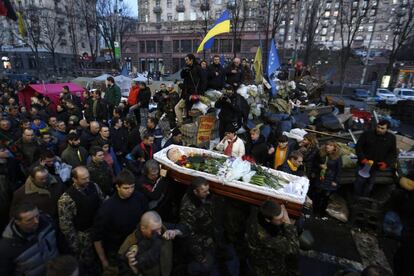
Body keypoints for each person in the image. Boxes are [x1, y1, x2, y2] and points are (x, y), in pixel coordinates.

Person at [92, 170, 148, 272]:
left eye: (132, 187)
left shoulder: (139, 198)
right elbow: (97, 237)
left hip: (139, 244)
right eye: (126, 188)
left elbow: (146, 217)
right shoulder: (107, 208)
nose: (130, 191)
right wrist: (103, 260)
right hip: (117, 250)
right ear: (117, 187)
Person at [58, 166, 105, 275]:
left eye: (88, 177)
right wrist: (75, 245)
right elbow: (66, 226)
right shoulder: (66, 199)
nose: (87, 180)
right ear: (74, 179)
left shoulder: (94, 186)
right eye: (84, 179)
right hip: (84, 236)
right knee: (88, 262)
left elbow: (102, 202)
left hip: (98, 229)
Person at [119, 211, 185, 276]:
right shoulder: (130, 243)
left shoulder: (162, 228)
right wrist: (133, 269)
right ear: (143, 228)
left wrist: (176, 232)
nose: (159, 233)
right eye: (154, 231)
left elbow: (185, 228)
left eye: (160, 228)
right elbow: (122, 270)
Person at [0, 202, 59, 276]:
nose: (36, 221)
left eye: (37, 216)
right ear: (18, 222)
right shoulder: (7, 246)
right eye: (29, 220)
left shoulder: (47, 222)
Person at [245, 200, 299, 276]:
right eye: (279, 219)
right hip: (268, 267)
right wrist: (288, 224)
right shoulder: (264, 236)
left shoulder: (260, 212)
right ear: (267, 220)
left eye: (282, 216)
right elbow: (293, 248)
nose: (283, 219)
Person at [180, 176, 217, 275]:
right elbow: (190, 234)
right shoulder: (188, 208)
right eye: (204, 192)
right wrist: (200, 256)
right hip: (199, 242)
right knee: (206, 266)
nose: (208, 193)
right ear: (195, 192)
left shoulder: (205, 196)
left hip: (209, 234)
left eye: (208, 190)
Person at [354, 120, 397, 197]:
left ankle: (364, 197)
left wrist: (386, 163)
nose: (379, 129)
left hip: (375, 166)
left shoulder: (391, 138)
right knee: (359, 181)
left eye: (382, 128)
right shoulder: (367, 134)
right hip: (363, 164)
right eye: (378, 127)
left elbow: (393, 153)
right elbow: (358, 147)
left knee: (370, 184)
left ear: (387, 129)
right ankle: (356, 196)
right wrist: (362, 158)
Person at [314, 141, 342, 214]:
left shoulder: (337, 157)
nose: (328, 146)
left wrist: (335, 181)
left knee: (325, 197)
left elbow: (339, 170)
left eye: (330, 145)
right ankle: (314, 211)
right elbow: (315, 162)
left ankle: (322, 212)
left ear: (334, 147)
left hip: (330, 179)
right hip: (320, 177)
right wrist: (320, 165)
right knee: (317, 195)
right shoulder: (321, 153)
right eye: (327, 144)